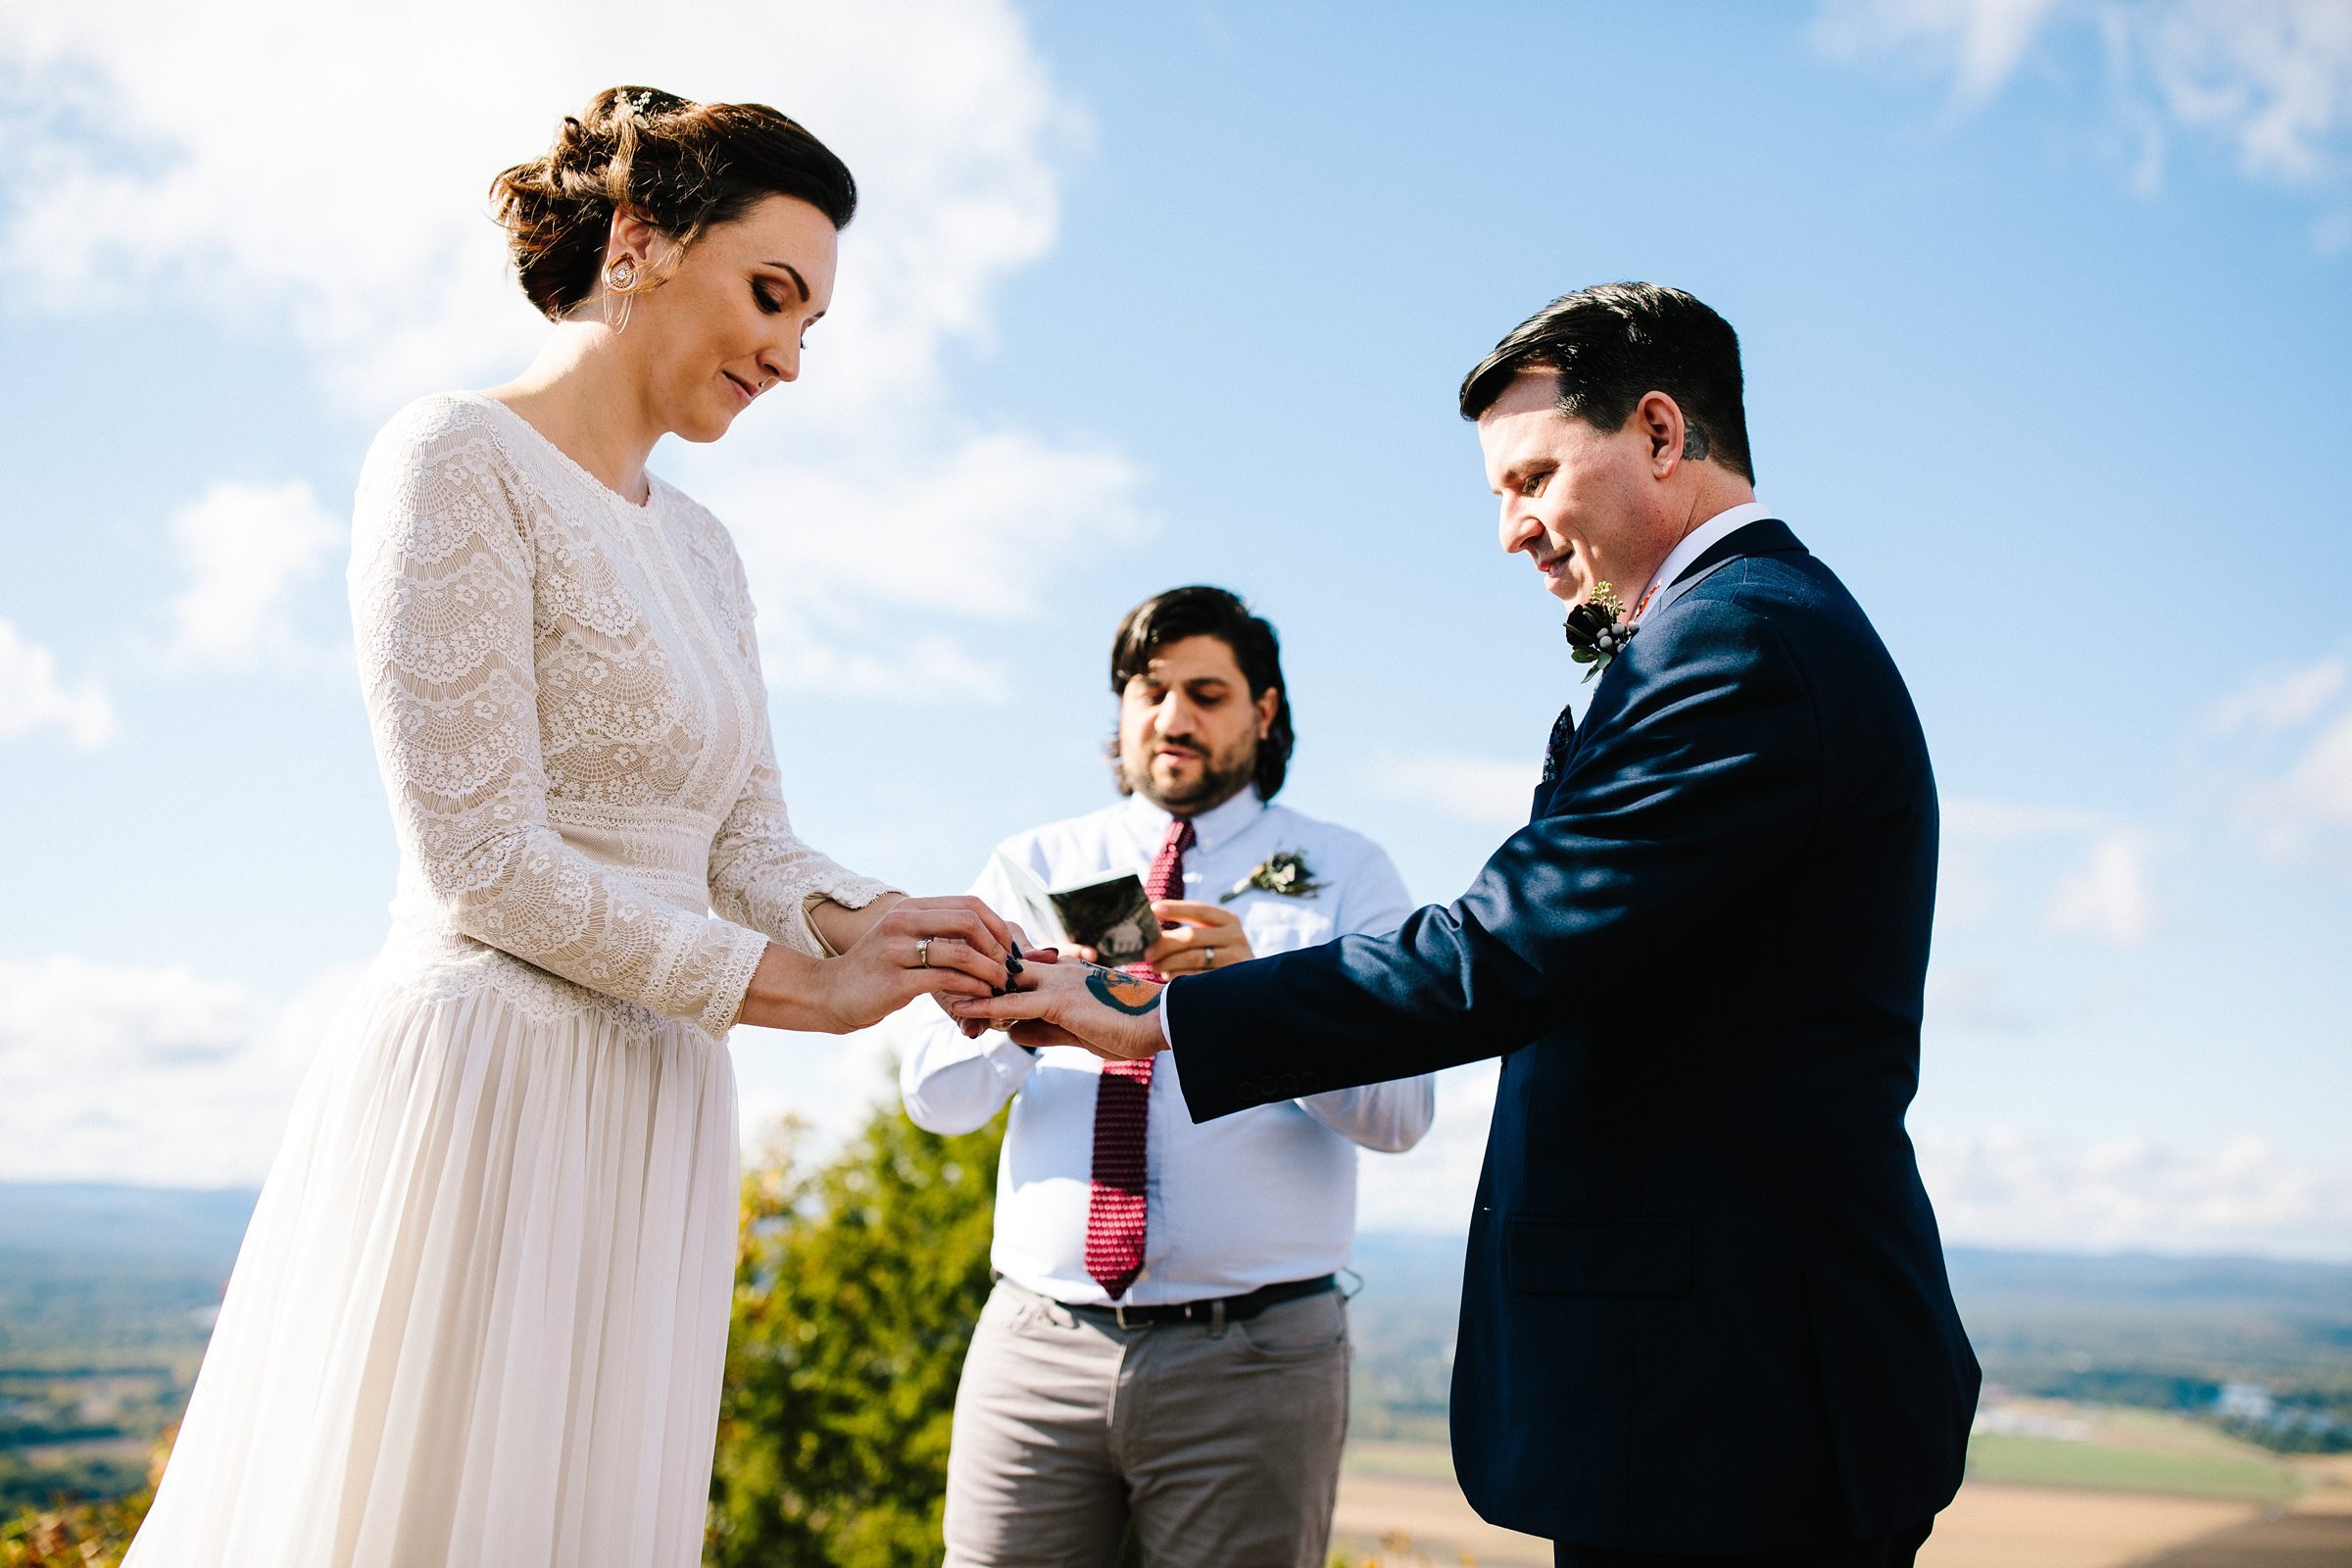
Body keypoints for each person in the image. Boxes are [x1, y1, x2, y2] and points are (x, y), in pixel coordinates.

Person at [124, 87, 1021, 1568]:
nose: (792, 358)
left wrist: (894, 929)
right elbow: (479, 862)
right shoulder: (453, 457)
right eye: (772, 295)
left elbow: (748, 843)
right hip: (495, 1089)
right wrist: (800, 991)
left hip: (660, 1101)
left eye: (812, 326)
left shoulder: (709, 548)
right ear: (642, 239)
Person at [958, 284, 1982, 1567]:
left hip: (1739, 1380)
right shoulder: (1730, 635)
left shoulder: (1737, 650)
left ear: (1662, 433)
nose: (1512, 533)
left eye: (1534, 478)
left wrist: (1163, 1012)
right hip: (1709, 1376)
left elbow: (1505, 949)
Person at [901, 585, 1434, 1568]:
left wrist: (1261, 1003)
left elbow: (1403, 1113)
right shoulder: (1031, 863)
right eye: (1149, 691)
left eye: (1206, 692)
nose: (1172, 717)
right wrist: (1035, 1017)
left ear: (1262, 712)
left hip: (1256, 1362)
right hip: (1036, 1350)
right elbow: (933, 1094)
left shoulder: (1349, 871)